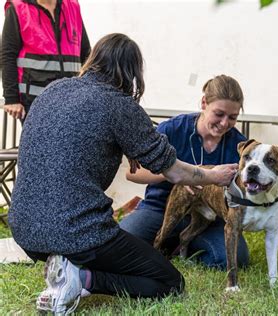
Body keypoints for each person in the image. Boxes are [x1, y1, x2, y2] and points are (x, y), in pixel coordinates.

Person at [8, 33, 239, 314]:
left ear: (93, 59)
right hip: (77, 231)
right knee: (169, 281)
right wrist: (215, 176)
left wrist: (129, 145)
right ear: (132, 73)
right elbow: (175, 172)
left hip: (25, 229)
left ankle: (68, 268)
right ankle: (80, 278)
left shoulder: (53, 91)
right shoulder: (119, 104)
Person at [120, 74, 250, 270]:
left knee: (236, 258)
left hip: (210, 218)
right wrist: (177, 173)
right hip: (159, 209)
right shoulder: (172, 130)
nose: (224, 123)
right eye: (219, 114)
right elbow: (132, 172)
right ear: (204, 103)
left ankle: (180, 246)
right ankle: (170, 243)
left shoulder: (238, 144)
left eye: (232, 117)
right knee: (122, 245)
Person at [1, 0, 91, 121]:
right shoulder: (18, 9)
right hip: (35, 102)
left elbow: (86, 53)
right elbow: (8, 55)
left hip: (72, 100)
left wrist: (91, 91)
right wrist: (12, 99)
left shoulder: (72, 6)